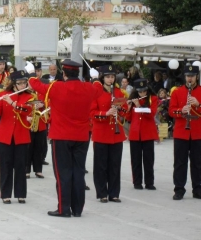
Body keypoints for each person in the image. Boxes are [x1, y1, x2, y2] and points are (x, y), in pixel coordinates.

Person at [29, 59, 102, 217]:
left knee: (63, 173)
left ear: (64, 73)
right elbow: (98, 88)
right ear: (78, 73)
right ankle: (77, 209)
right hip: (82, 136)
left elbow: (37, 86)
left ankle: (64, 208)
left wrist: (30, 75)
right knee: (78, 172)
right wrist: (96, 78)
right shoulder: (88, 88)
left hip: (61, 135)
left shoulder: (57, 87)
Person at [0, 70, 33, 204]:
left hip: (21, 135)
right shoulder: (3, 94)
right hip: (5, 135)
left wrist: (13, 103)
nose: (22, 85)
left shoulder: (29, 96)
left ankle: (21, 194)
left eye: (24, 83)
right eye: (20, 83)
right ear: (14, 84)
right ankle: (5, 194)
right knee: (5, 165)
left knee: (20, 166)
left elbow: (28, 110)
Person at [91, 65, 128, 203]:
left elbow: (125, 112)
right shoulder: (97, 92)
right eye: (107, 77)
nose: (110, 79)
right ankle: (102, 193)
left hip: (116, 134)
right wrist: (105, 113)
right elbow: (92, 113)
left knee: (114, 165)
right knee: (101, 165)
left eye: (112, 77)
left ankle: (114, 193)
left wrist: (120, 108)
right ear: (102, 78)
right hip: (101, 133)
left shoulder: (119, 92)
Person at [168, 65, 201, 200]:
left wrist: (198, 105)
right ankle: (179, 189)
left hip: (198, 132)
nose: (190, 78)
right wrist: (181, 110)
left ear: (196, 77)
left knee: (198, 162)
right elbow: (171, 111)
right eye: (188, 76)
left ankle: (198, 188)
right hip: (181, 132)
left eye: (192, 76)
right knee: (180, 162)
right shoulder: (177, 92)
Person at [126, 78, 158, 190]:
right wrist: (129, 107)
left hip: (148, 133)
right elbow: (128, 118)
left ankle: (149, 182)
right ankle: (137, 182)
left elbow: (152, 114)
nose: (142, 93)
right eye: (140, 92)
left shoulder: (153, 99)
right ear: (136, 91)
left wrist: (139, 106)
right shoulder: (133, 99)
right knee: (135, 159)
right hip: (135, 133)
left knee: (149, 159)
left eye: (144, 91)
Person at [26, 62, 48, 178]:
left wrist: (43, 105)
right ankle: (27, 170)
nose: (37, 73)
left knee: (39, 146)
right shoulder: (26, 89)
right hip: (28, 122)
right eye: (36, 71)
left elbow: (49, 102)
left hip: (41, 121)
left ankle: (38, 169)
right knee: (28, 147)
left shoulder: (43, 87)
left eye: (39, 71)